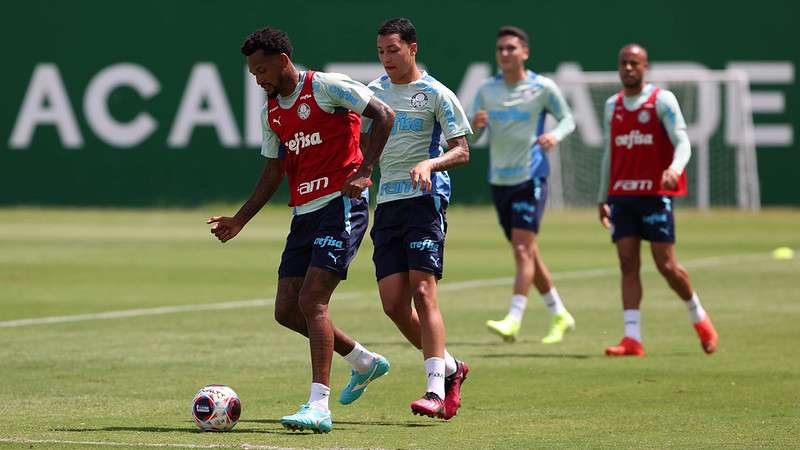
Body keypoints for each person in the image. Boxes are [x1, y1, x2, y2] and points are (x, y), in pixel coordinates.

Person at [208, 27, 396, 433]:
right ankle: (363, 361)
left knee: (313, 300)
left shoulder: (327, 87)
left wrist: (365, 172)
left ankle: (319, 406)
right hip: (304, 215)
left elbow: (384, 115)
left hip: (341, 205)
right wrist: (239, 219)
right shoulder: (272, 112)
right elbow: (274, 170)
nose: (258, 79)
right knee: (286, 310)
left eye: (262, 70)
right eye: (253, 73)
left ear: (283, 62)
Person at [362, 18, 471, 419]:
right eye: (380, 52)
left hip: (425, 200)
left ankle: (435, 391)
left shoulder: (437, 93)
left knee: (423, 291)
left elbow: (462, 151)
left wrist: (431, 161)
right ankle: (453, 367)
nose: (387, 58)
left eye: (393, 49)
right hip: (387, 204)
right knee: (393, 304)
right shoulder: (372, 93)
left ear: (412, 48)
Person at [598, 43, 718, 357]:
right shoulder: (613, 105)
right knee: (627, 262)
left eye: (634, 63)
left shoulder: (661, 100)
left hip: (655, 195)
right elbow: (610, 154)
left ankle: (699, 317)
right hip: (622, 195)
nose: (628, 68)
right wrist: (603, 196)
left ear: (645, 66)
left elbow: (683, 142)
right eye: (623, 62)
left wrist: (674, 169)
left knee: (666, 265)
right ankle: (632, 339)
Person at [470, 26, 577, 344]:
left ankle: (513, 319)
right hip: (499, 180)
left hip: (531, 177)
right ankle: (559, 313)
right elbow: (472, 137)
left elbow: (568, 119)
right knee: (528, 251)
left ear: (525, 53)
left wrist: (554, 136)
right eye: (500, 48)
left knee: (521, 249)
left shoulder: (542, 87)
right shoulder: (487, 90)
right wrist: (476, 127)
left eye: (511, 48)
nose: (504, 53)